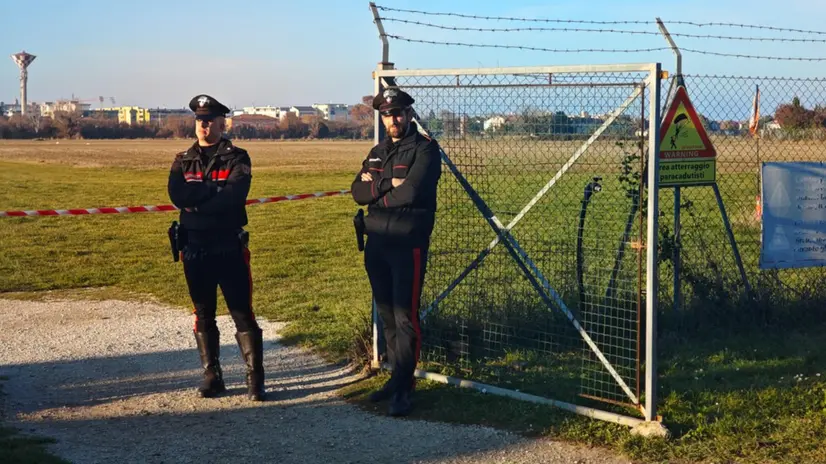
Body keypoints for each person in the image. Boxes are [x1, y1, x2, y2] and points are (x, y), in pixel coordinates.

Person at [167, 94, 265, 401]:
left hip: (228, 246)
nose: (204, 125)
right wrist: (213, 192)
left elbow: (233, 197)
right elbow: (177, 195)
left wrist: (197, 201)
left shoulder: (238, 158)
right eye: (200, 120)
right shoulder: (183, 159)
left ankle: (255, 378)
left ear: (223, 124)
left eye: (210, 120)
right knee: (203, 313)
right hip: (194, 247)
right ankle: (212, 376)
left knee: (242, 313)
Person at [351, 88, 442, 417]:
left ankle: (404, 387)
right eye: (388, 115)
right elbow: (357, 192)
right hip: (376, 242)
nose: (394, 119)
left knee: (405, 318)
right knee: (387, 313)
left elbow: (412, 193)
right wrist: (388, 185)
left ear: (409, 114)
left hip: (408, 243)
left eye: (399, 113)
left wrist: (376, 191)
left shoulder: (425, 149)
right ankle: (394, 377)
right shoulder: (377, 152)